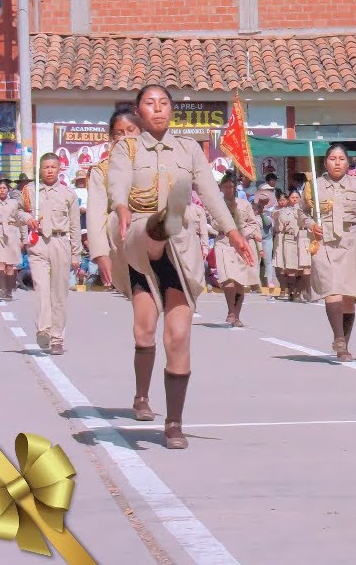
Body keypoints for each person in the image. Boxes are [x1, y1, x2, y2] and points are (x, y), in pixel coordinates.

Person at [108, 83, 252, 450]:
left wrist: (233, 232)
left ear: (172, 110)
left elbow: (210, 194)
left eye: (163, 103)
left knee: (178, 335)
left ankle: (174, 423)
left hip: (180, 252)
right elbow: (118, 181)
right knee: (144, 333)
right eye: (149, 104)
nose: (157, 109)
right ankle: (142, 397)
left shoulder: (189, 150)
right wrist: (123, 207)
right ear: (138, 111)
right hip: (139, 243)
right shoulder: (126, 148)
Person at [299, 144, 356, 361]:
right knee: (331, 289)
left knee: (349, 295)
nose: (337, 163)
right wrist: (310, 224)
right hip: (325, 242)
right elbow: (301, 213)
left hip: (351, 241)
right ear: (325, 162)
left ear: (348, 162)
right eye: (332, 158)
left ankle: (344, 345)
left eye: (341, 159)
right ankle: (338, 337)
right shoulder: (314, 186)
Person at [26, 153, 82, 354]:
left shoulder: (69, 194)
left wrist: (76, 255)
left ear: (59, 170)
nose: (49, 170)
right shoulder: (30, 191)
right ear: (39, 169)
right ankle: (44, 330)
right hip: (38, 243)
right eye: (45, 167)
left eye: (53, 167)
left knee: (58, 292)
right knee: (41, 288)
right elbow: (17, 211)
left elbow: (75, 226)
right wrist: (26, 218)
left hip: (61, 242)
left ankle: (57, 338)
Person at [87, 108, 143, 294]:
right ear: (111, 137)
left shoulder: (157, 163)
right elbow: (96, 215)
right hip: (123, 243)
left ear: (141, 132)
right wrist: (101, 254)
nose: (125, 137)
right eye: (119, 132)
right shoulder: (101, 171)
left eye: (131, 130)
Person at [212, 172, 262, 327]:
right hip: (223, 243)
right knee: (227, 279)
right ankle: (230, 310)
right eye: (226, 186)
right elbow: (213, 223)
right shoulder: (217, 204)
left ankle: (237, 314)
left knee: (240, 281)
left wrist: (242, 234)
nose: (229, 189)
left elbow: (253, 224)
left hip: (241, 245)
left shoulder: (244, 204)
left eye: (231, 186)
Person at [273, 189, 311, 302]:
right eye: (292, 197)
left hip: (303, 237)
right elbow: (276, 218)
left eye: (297, 197)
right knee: (290, 268)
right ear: (289, 199)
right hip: (290, 239)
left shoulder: (306, 209)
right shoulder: (283, 211)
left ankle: (301, 292)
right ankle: (290, 291)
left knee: (304, 268)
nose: (294, 199)